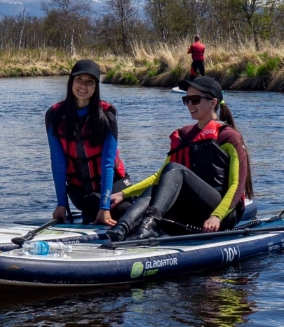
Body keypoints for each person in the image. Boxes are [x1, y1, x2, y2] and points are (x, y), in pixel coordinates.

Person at [105, 76, 253, 241]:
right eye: (186, 99)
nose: (189, 104)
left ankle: (149, 224)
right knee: (158, 185)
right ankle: (123, 226)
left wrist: (217, 216)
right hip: (192, 213)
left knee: (175, 169)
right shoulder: (184, 136)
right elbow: (160, 177)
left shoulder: (229, 137)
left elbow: (236, 186)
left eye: (195, 100)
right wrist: (123, 194)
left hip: (221, 216)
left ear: (213, 102)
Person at [46, 59, 134, 226]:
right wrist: (61, 205)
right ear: (71, 82)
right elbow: (58, 163)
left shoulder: (107, 116)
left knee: (123, 210)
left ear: (96, 86)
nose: (83, 86)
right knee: (92, 204)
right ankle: (96, 210)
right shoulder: (54, 116)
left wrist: (105, 207)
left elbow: (108, 163)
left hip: (115, 182)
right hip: (81, 188)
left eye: (90, 81)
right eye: (79, 79)